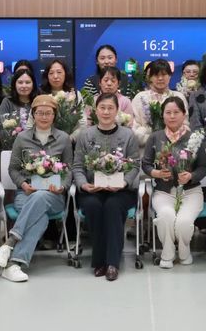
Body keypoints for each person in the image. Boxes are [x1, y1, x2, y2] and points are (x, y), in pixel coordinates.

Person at [0, 95, 73, 282]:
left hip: (53, 195)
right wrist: (23, 184)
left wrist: (62, 187)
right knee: (41, 216)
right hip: (26, 193)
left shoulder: (63, 138)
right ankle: (14, 264)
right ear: (33, 115)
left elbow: (69, 169)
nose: (44, 117)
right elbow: (13, 169)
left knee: (41, 198)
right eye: (40, 113)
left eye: (48, 113)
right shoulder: (22, 138)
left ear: (54, 115)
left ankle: (10, 242)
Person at [72, 93, 140, 281]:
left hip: (121, 190)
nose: (106, 112)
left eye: (110, 108)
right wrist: (83, 184)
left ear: (117, 111)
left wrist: (124, 183)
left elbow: (135, 165)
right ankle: (99, 260)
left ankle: (112, 263)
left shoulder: (128, 135)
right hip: (92, 189)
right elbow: (77, 166)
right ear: (96, 110)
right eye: (102, 108)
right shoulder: (86, 135)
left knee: (112, 206)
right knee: (93, 206)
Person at [141, 96, 206, 269]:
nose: (172, 116)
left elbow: (203, 168)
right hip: (164, 192)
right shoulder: (155, 137)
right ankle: (167, 253)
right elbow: (146, 164)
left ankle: (184, 250)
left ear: (184, 114)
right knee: (166, 216)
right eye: (168, 112)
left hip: (190, 192)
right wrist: (156, 173)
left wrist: (191, 176)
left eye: (176, 112)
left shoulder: (194, 138)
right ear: (162, 115)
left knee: (183, 223)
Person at [131, 59, 188, 148]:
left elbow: (185, 125)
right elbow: (134, 128)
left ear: (170, 76)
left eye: (164, 74)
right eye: (156, 75)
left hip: (175, 149)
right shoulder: (139, 98)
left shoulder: (179, 97)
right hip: (145, 149)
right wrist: (153, 140)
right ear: (150, 77)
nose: (160, 78)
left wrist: (169, 140)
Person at [0, 68, 37, 150]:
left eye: (28, 82)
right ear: (15, 84)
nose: (24, 86)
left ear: (33, 84)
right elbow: (1, 127)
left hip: (35, 148)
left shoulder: (38, 101)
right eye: (20, 82)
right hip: (11, 148)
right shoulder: (7, 101)